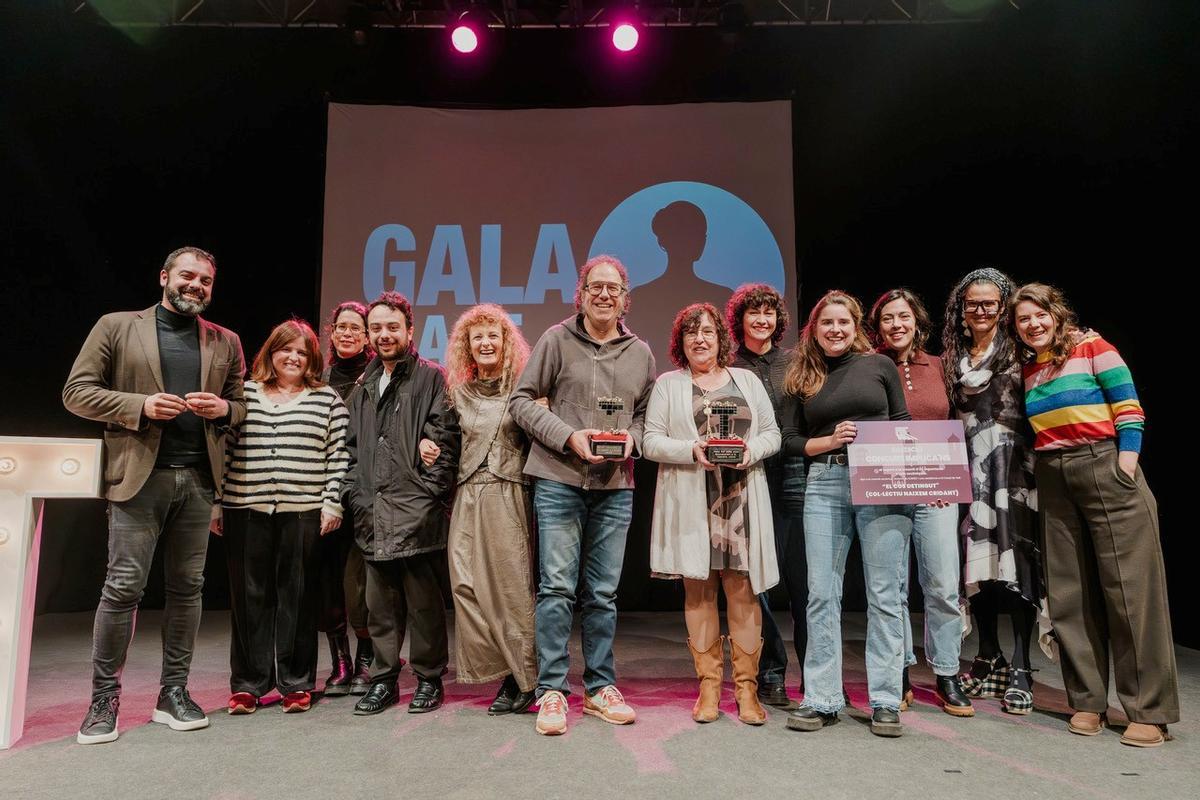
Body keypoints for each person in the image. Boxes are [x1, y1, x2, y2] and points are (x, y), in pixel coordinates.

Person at [63, 246, 247, 744]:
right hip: (138, 479)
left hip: (199, 482)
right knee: (123, 589)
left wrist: (222, 409)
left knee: (188, 591)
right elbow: (77, 392)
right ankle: (103, 700)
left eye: (206, 281)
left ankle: (174, 693)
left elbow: (242, 406)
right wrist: (140, 404)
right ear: (165, 276)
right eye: (188, 276)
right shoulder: (118, 326)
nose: (197, 286)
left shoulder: (225, 340)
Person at [1012, 283, 1178, 747]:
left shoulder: (1092, 347)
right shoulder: (1030, 368)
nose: (1033, 324)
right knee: (1069, 592)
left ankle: (1148, 710)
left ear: (1056, 313)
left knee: (1129, 590)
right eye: (1023, 319)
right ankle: (1087, 701)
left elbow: (1129, 406)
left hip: (1104, 464)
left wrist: (1125, 462)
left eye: (1039, 315)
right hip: (1053, 473)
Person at [509, 254, 656, 736]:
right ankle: (552, 690)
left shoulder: (642, 353)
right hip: (558, 479)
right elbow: (521, 401)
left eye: (614, 288)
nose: (605, 295)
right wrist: (568, 436)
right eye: (596, 286)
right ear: (581, 292)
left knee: (603, 593)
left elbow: (643, 415)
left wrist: (633, 438)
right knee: (555, 588)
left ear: (625, 298)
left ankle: (599, 688)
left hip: (616, 485)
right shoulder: (555, 339)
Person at [779, 290, 912, 738]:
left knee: (885, 594)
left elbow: (903, 424)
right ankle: (822, 698)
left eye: (843, 323)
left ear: (856, 328)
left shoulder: (880, 366)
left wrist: (924, 477)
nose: (835, 330)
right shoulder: (803, 374)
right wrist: (831, 441)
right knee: (820, 594)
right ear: (814, 329)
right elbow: (791, 441)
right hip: (826, 482)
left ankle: (886, 700)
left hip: (884, 481)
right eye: (826, 323)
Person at [644, 302, 781, 725]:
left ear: (722, 338)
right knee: (699, 591)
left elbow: (771, 433)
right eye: (690, 333)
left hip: (740, 500)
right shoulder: (668, 384)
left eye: (707, 332)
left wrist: (749, 453)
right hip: (692, 500)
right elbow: (650, 441)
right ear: (680, 342)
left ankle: (746, 690)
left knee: (742, 591)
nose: (699, 339)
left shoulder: (747, 379)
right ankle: (708, 686)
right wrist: (692, 451)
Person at [216, 319, 349, 714]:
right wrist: (215, 502)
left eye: (301, 351)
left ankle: (296, 682)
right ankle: (249, 684)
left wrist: (332, 503)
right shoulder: (244, 395)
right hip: (244, 507)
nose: (292, 357)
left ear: (312, 359)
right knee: (248, 598)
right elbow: (224, 449)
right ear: (269, 354)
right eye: (284, 349)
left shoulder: (327, 399)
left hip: (303, 511)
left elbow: (338, 456)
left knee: (299, 597)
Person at [341, 291, 461, 716]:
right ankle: (384, 679)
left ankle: (429, 679)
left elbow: (444, 442)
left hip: (416, 510)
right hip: (372, 511)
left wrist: (429, 495)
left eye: (393, 326)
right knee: (380, 607)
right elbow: (352, 450)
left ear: (410, 330)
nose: (384, 334)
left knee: (424, 605)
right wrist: (354, 496)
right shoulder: (363, 385)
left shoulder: (432, 377)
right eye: (376, 328)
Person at [941, 268, 1045, 715]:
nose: (980, 311)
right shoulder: (952, 356)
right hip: (966, 468)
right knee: (976, 567)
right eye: (972, 304)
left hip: (1012, 470)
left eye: (989, 303)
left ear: (1003, 307)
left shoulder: (1021, 349)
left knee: (1015, 562)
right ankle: (988, 656)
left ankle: (1021, 664)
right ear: (961, 310)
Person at [868, 288, 972, 717]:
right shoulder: (868, 367)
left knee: (943, 584)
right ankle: (899, 671)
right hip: (887, 488)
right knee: (890, 589)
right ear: (878, 327)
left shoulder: (942, 366)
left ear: (916, 321)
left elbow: (955, 422)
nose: (896, 325)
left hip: (937, 491)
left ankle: (947, 672)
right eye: (887, 318)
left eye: (903, 317)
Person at [439, 303, 538, 715]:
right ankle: (502, 672)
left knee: (510, 588)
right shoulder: (456, 393)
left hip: (506, 489)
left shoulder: (523, 392)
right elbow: (447, 443)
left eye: (492, 335)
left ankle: (526, 678)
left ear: (505, 343)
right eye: (476, 336)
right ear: (467, 346)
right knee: (465, 585)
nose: (484, 342)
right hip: (467, 493)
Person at [726, 282, 806, 708]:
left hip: (795, 477)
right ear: (739, 320)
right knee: (755, 583)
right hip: (748, 478)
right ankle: (770, 671)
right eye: (753, 313)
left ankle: (816, 675)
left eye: (769, 313)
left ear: (779, 320)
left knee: (804, 583)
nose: (761, 320)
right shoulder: (727, 366)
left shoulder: (796, 363)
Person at [317, 301, 376, 696]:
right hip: (320, 493)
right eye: (342, 327)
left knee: (361, 586)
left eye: (357, 327)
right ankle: (339, 659)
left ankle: (366, 659)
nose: (349, 333)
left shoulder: (376, 377)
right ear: (332, 332)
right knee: (326, 584)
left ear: (369, 335)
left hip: (361, 493)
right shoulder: (315, 378)